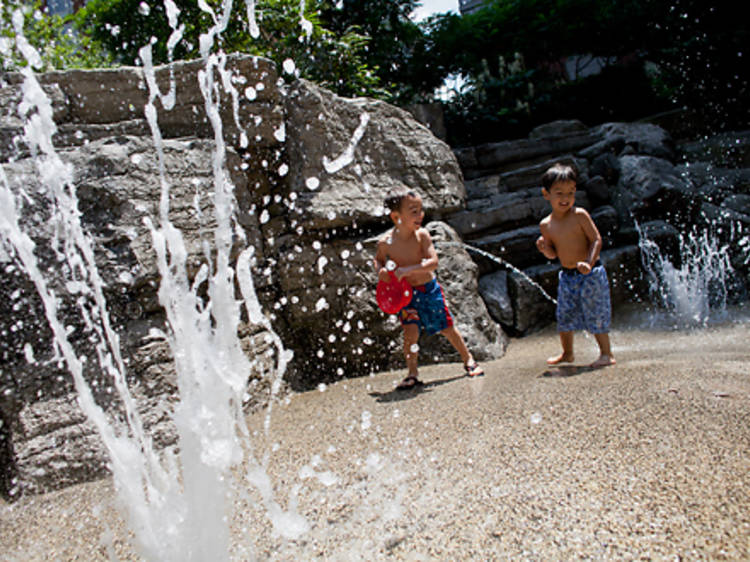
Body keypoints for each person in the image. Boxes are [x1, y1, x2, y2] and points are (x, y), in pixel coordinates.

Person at [374, 187, 484, 389]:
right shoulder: (386, 243)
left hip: (428, 289)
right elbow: (379, 261)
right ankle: (412, 373)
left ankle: (468, 359)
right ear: (396, 216)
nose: (420, 215)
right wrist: (381, 272)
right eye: (413, 211)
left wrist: (407, 270)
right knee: (410, 333)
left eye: (421, 210)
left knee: (447, 328)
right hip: (407, 296)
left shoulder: (422, 235)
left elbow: (433, 262)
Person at [535, 162, 616, 368]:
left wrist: (589, 262)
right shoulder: (546, 225)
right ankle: (567, 353)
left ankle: (606, 354)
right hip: (567, 275)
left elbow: (596, 239)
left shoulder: (579, 215)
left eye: (570, 193)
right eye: (559, 193)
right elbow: (553, 254)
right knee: (564, 314)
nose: (565, 198)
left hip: (591, 272)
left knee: (595, 312)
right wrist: (545, 249)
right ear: (546, 194)